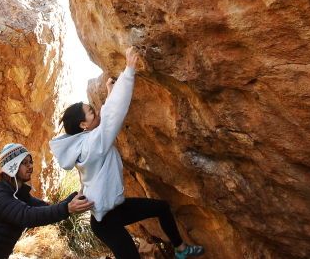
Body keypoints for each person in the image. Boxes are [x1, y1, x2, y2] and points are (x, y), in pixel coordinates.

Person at [50, 47, 205, 259]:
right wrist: (129, 70)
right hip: (106, 223)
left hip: (116, 209)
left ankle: (180, 249)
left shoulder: (86, 141)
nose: (96, 111)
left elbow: (105, 117)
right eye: (91, 111)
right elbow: (112, 116)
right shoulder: (91, 145)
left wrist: (111, 91)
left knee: (161, 208)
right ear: (83, 125)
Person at [0, 143, 94, 258]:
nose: (30, 166)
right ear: (12, 166)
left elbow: (47, 209)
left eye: (30, 162)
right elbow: (27, 216)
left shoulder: (17, 194)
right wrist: (67, 208)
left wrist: (77, 196)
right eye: (24, 163)